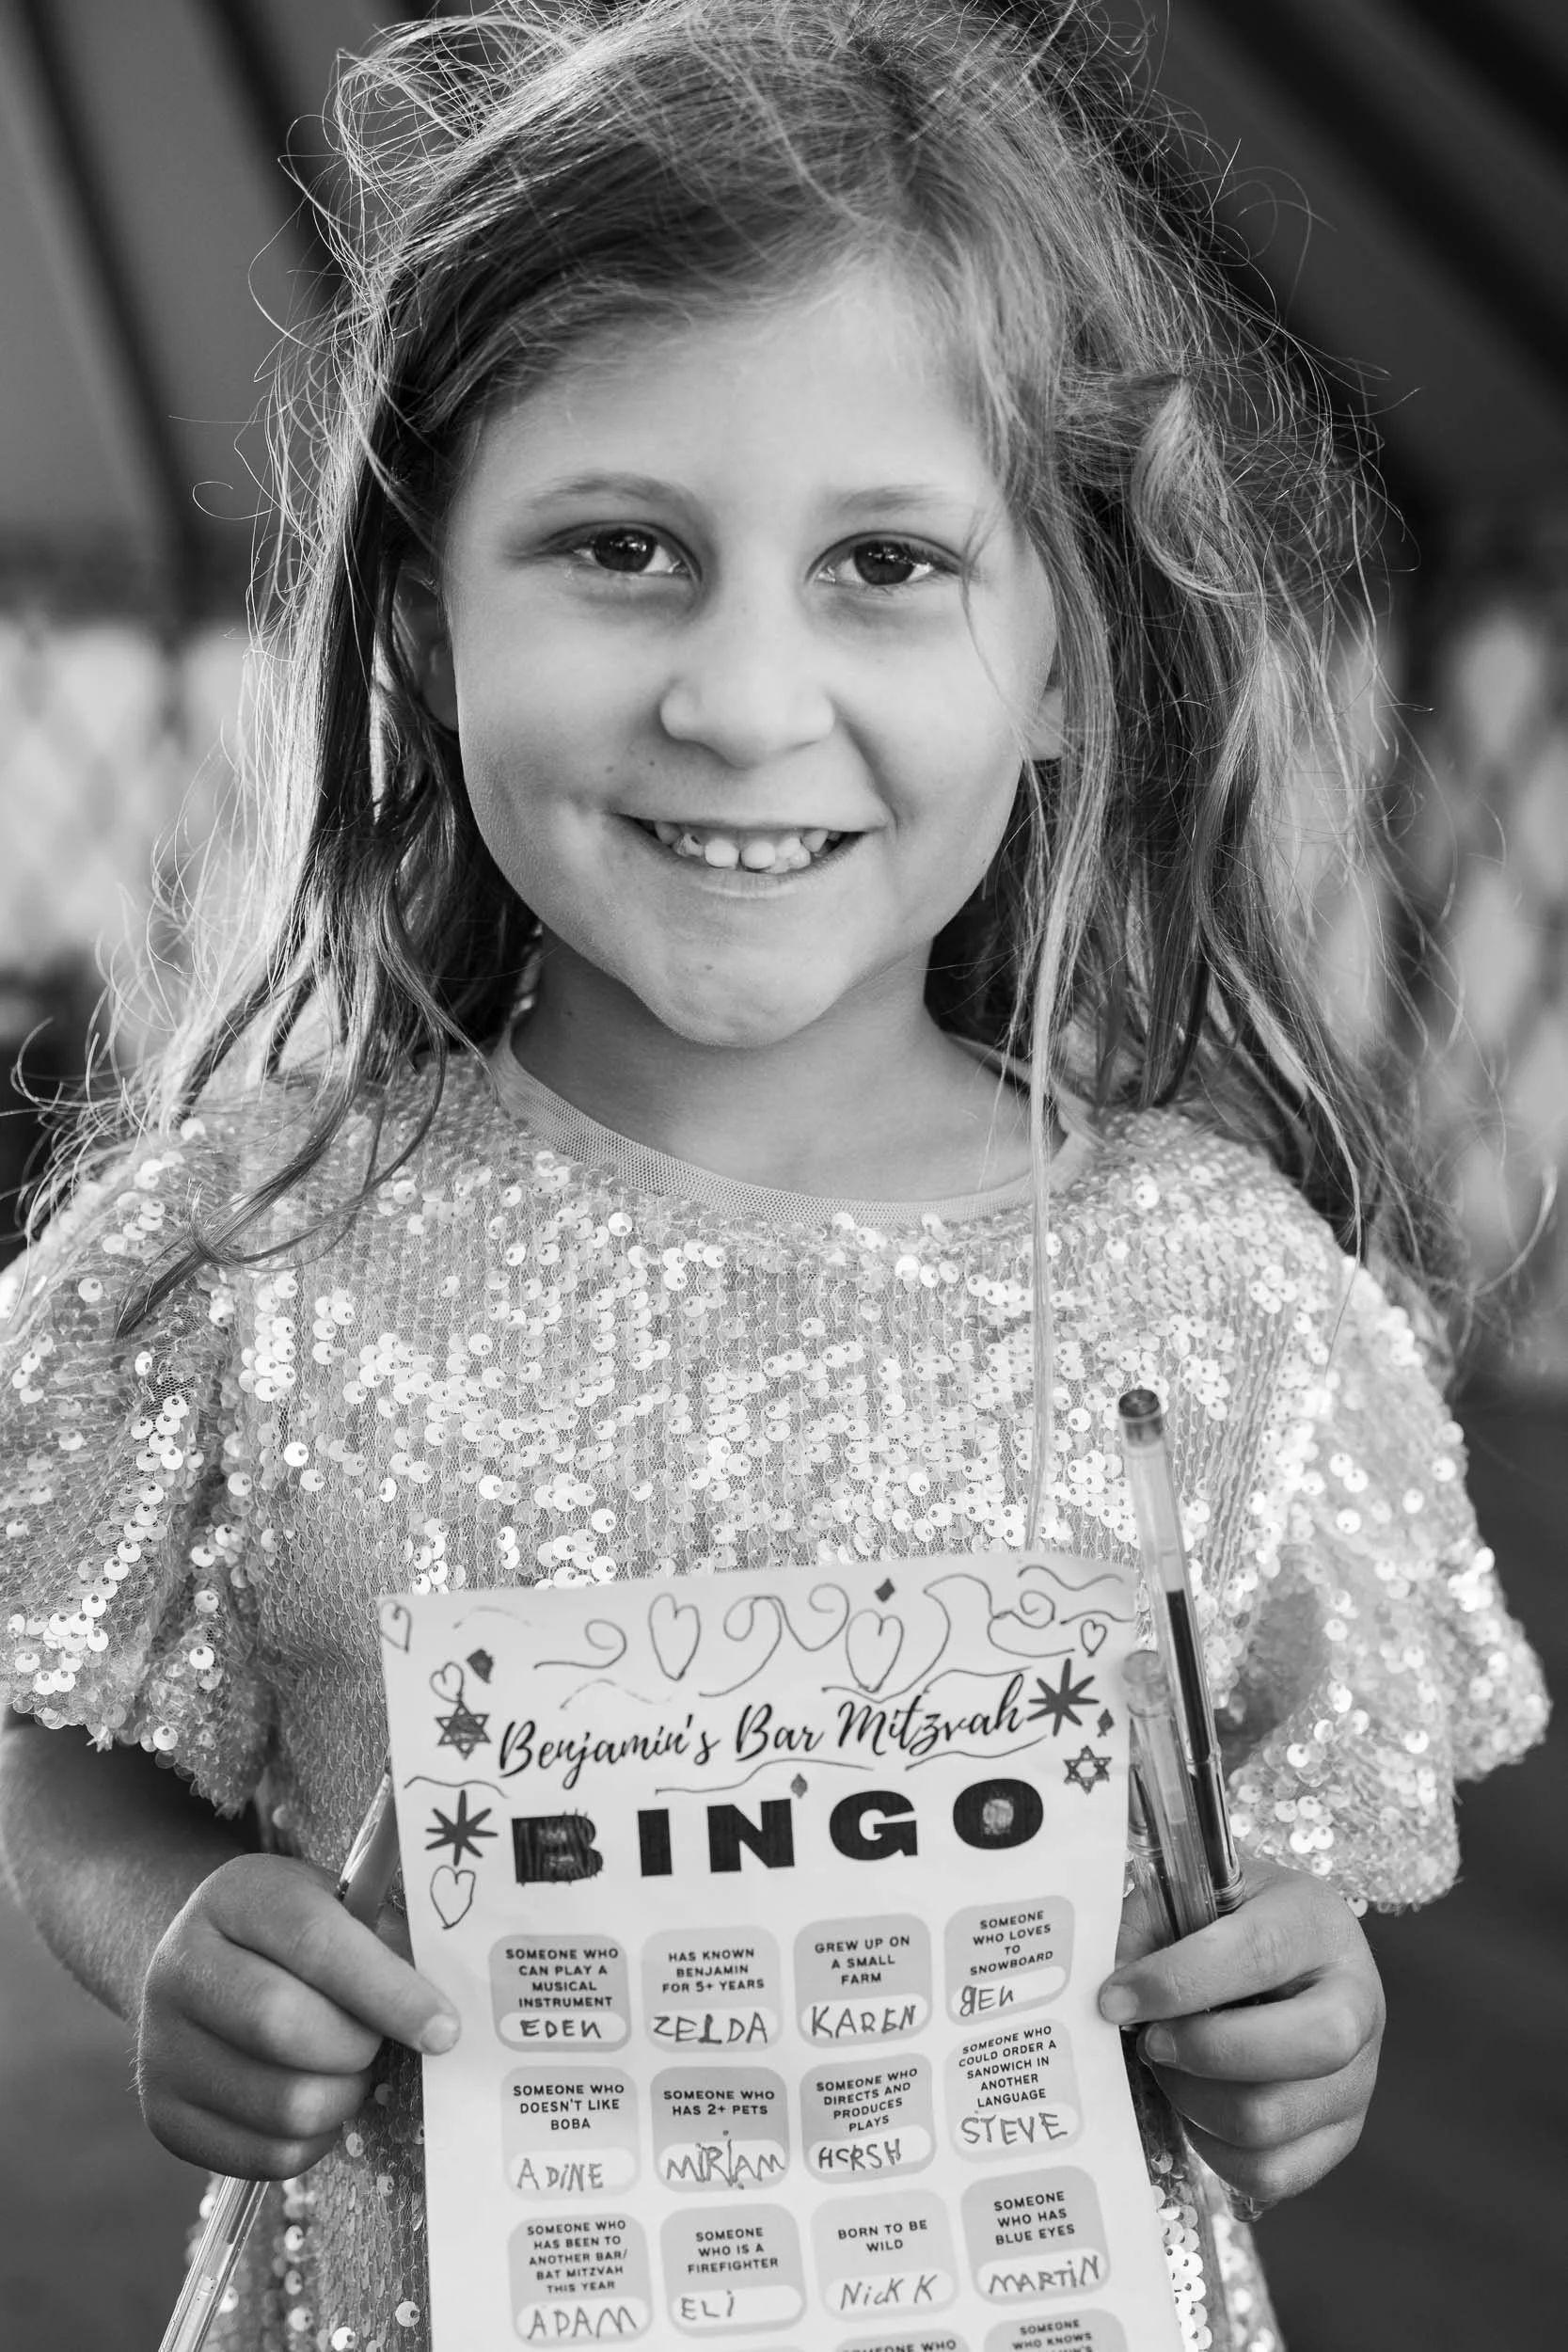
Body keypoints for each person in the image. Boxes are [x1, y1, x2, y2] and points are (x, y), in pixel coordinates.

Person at [0, 3, 1546, 2346]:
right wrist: (168, 1924)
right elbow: (67, 1749)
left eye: (886, 563)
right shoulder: (256, 1252)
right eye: (621, 547)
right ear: (428, 614)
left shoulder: (1213, 1292)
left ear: (1062, 653)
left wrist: (1292, 1997)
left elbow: (1293, 1858)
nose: (740, 698)